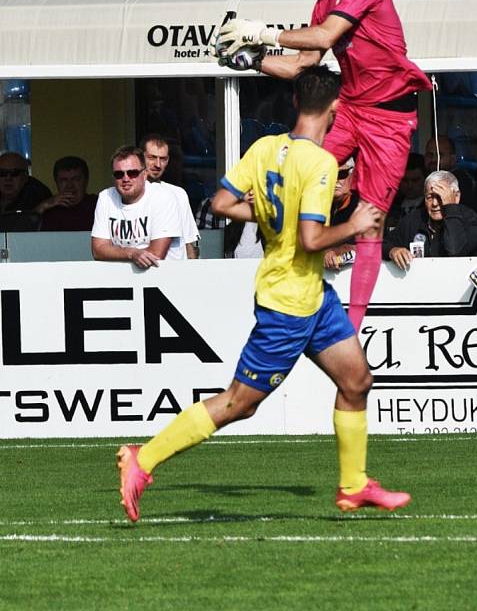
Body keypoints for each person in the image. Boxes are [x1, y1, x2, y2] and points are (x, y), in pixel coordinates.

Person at [116, 65, 411, 522]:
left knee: (357, 381)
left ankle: (353, 486)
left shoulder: (265, 148)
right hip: (287, 302)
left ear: (295, 102)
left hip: (313, 295)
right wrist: (353, 225)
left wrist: (273, 213)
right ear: (336, 109)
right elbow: (312, 240)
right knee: (238, 403)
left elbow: (220, 203)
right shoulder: (321, 162)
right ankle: (143, 460)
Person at [217, 0, 432, 332]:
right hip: (350, 107)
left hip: (389, 119)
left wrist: (261, 33)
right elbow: (304, 63)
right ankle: (288, 267)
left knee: (371, 219)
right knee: (295, 171)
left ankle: (353, 328)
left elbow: (323, 38)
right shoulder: (323, 0)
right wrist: (254, 61)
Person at [91, 145, 182, 268]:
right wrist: (131, 253)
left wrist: (116, 252)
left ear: (144, 174)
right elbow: (98, 250)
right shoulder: (105, 197)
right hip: (124, 279)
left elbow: (156, 254)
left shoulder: (163, 197)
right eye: (119, 174)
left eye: (132, 173)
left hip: (165, 278)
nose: (126, 178)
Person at [383, 171, 477, 268]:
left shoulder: (471, 221)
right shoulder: (415, 218)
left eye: (441, 197)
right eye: (429, 197)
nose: (434, 203)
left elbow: (455, 252)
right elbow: (382, 245)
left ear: (456, 197)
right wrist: (392, 250)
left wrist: (451, 209)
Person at [139, 134, 200, 258]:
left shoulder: (178, 194)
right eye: (151, 157)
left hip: (176, 273)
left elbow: (189, 242)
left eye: (163, 159)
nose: (158, 164)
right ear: (140, 158)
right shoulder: (129, 195)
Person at [36, 156, 97, 231]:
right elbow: (26, 231)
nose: (70, 185)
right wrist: (43, 206)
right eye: (64, 180)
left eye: (76, 179)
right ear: (56, 182)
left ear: (86, 181)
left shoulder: (98, 205)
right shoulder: (48, 208)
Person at [423, 136, 477, 212]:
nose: (434, 159)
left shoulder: (459, 180)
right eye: (430, 155)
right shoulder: (423, 177)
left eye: (440, 155)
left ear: (453, 159)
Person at [324, 157, 358, 270]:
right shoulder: (319, 207)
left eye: (341, 174)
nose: (335, 180)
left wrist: (335, 251)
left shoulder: (365, 206)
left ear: (353, 176)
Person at [385, 152, 426, 230]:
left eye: (415, 180)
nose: (409, 185)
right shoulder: (390, 204)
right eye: (405, 180)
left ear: (425, 178)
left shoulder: (431, 205)